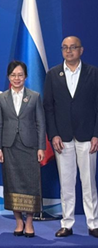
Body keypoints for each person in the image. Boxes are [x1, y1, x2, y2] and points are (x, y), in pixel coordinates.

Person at [43, 37, 98, 238]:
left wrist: (96, 134)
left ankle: (93, 224)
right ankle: (67, 223)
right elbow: (48, 107)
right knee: (66, 183)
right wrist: (54, 134)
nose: (69, 51)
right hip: (62, 138)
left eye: (73, 47)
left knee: (88, 183)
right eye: (65, 48)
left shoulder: (93, 73)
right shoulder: (52, 74)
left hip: (87, 137)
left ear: (81, 50)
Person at [0, 60, 46, 237]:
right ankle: (18, 221)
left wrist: (41, 147)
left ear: (25, 77)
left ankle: (29, 222)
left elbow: (40, 123)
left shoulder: (34, 96)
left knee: (31, 184)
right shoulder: (2, 98)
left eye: (20, 75)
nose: (17, 78)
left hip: (30, 147)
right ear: (9, 77)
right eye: (13, 75)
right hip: (9, 147)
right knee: (12, 184)